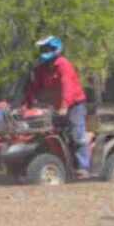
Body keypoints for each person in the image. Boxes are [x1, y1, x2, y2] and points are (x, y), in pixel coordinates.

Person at [20, 36, 90, 178]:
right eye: (43, 49)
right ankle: (58, 163)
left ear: (56, 48)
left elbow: (67, 87)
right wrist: (24, 105)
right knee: (47, 133)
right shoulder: (42, 68)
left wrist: (64, 106)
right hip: (58, 106)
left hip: (74, 104)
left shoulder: (63, 64)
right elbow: (34, 88)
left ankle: (83, 168)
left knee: (77, 135)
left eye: (48, 48)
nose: (44, 51)